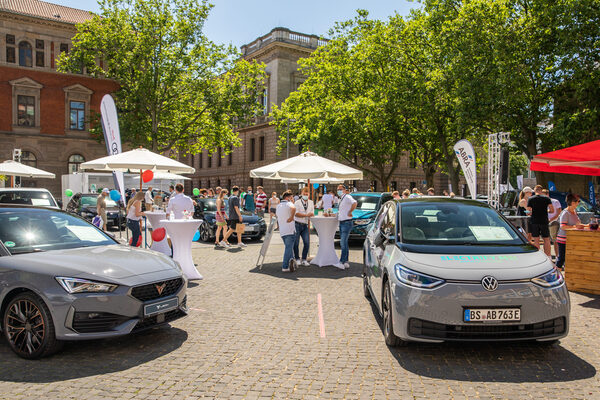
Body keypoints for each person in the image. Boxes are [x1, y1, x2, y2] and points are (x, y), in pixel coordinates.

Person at [556, 193, 585, 269]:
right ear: (573, 203)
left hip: (571, 239)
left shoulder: (574, 212)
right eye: (578, 202)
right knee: (561, 259)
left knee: (568, 259)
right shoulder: (565, 213)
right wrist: (575, 226)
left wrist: (585, 226)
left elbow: (577, 224)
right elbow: (563, 226)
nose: (579, 204)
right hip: (563, 240)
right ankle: (556, 276)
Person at [527, 185, 555, 256]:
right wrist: (547, 211)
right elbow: (552, 210)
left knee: (536, 239)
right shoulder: (547, 198)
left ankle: (538, 256)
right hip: (544, 220)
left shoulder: (530, 199)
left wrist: (532, 212)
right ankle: (548, 256)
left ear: (535, 190)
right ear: (541, 190)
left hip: (534, 221)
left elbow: (528, 211)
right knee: (546, 239)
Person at [336, 184, 357, 270]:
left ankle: (341, 261)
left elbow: (355, 203)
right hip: (342, 222)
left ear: (344, 190)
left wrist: (350, 211)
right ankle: (346, 261)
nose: (339, 191)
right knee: (344, 243)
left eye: (340, 189)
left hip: (346, 222)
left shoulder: (347, 197)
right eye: (338, 189)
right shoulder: (341, 199)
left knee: (343, 242)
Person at [276, 190, 297, 272]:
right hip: (289, 229)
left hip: (282, 230)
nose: (292, 199)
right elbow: (294, 208)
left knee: (289, 248)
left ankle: (292, 260)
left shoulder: (278, 205)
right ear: (287, 198)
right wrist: (291, 217)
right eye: (291, 197)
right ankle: (285, 266)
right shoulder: (289, 203)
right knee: (288, 248)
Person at [294, 186, 314, 266]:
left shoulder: (311, 202)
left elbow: (312, 213)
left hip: (305, 225)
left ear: (308, 194)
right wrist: (306, 215)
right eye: (304, 194)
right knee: (296, 243)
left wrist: (309, 215)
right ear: (301, 194)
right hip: (297, 224)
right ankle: (297, 258)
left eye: (307, 194)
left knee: (307, 242)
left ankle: (304, 259)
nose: (306, 195)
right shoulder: (297, 202)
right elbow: (296, 214)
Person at [543, 189, 562, 259]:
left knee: (555, 240)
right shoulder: (543, 202)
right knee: (546, 240)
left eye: (543, 195)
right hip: (545, 223)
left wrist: (551, 219)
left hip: (554, 223)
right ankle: (548, 256)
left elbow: (559, 212)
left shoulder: (555, 201)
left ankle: (557, 256)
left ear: (547, 194)